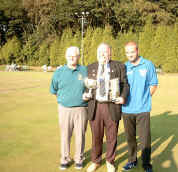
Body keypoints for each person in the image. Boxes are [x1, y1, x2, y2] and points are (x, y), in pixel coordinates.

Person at [83, 43, 129, 172]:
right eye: (100, 52)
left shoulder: (119, 66)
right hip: (95, 106)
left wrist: (123, 97)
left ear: (110, 53)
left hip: (112, 106)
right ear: (97, 54)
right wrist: (85, 94)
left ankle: (110, 161)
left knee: (111, 136)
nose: (102, 54)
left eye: (105, 52)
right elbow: (86, 86)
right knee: (96, 137)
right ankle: (95, 161)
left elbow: (125, 85)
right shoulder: (90, 67)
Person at [122, 41, 158, 172]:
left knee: (144, 139)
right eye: (127, 52)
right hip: (126, 109)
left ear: (137, 51)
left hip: (143, 109)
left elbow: (153, 84)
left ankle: (146, 164)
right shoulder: (124, 66)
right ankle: (132, 161)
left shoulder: (148, 64)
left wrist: (144, 99)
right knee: (130, 138)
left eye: (132, 51)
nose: (130, 54)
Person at [50, 46, 88, 170]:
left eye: (75, 55)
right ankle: (65, 159)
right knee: (65, 135)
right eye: (70, 55)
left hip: (81, 109)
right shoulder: (59, 72)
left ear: (78, 56)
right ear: (66, 56)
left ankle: (79, 159)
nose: (72, 57)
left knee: (80, 135)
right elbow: (54, 90)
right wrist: (64, 101)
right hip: (64, 109)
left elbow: (90, 88)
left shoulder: (84, 70)